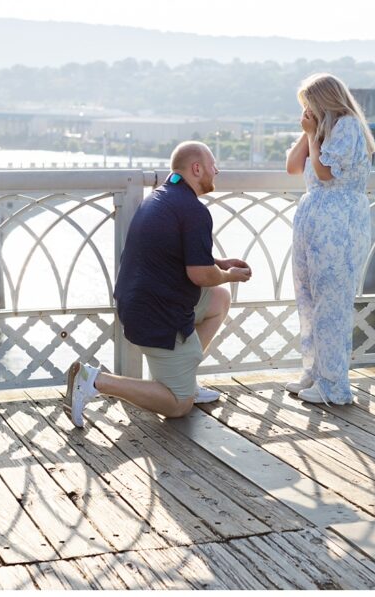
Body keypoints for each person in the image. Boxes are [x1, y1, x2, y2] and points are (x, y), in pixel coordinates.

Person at [64, 141, 251, 427]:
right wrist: (229, 275)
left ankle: (183, 377)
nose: (217, 170)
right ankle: (95, 380)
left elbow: (179, 255)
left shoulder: (161, 197)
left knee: (218, 299)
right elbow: (201, 275)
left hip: (140, 304)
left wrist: (220, 264)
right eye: (213, 165)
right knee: (179, 405)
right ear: (197, 168)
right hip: (159, 315)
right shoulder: (193, 210)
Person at [284, 73, 375, 404]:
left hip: (339, 223)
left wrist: (313, 135)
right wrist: (307, 133)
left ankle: (334, 385)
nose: (307, 110)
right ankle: (315, 371)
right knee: (308, 298)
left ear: (324, 101)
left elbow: (325, 173)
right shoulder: (321, 132)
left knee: (332, 303)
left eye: (310, 104)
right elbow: (293, 167)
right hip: (314, 221)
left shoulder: (348, 126)